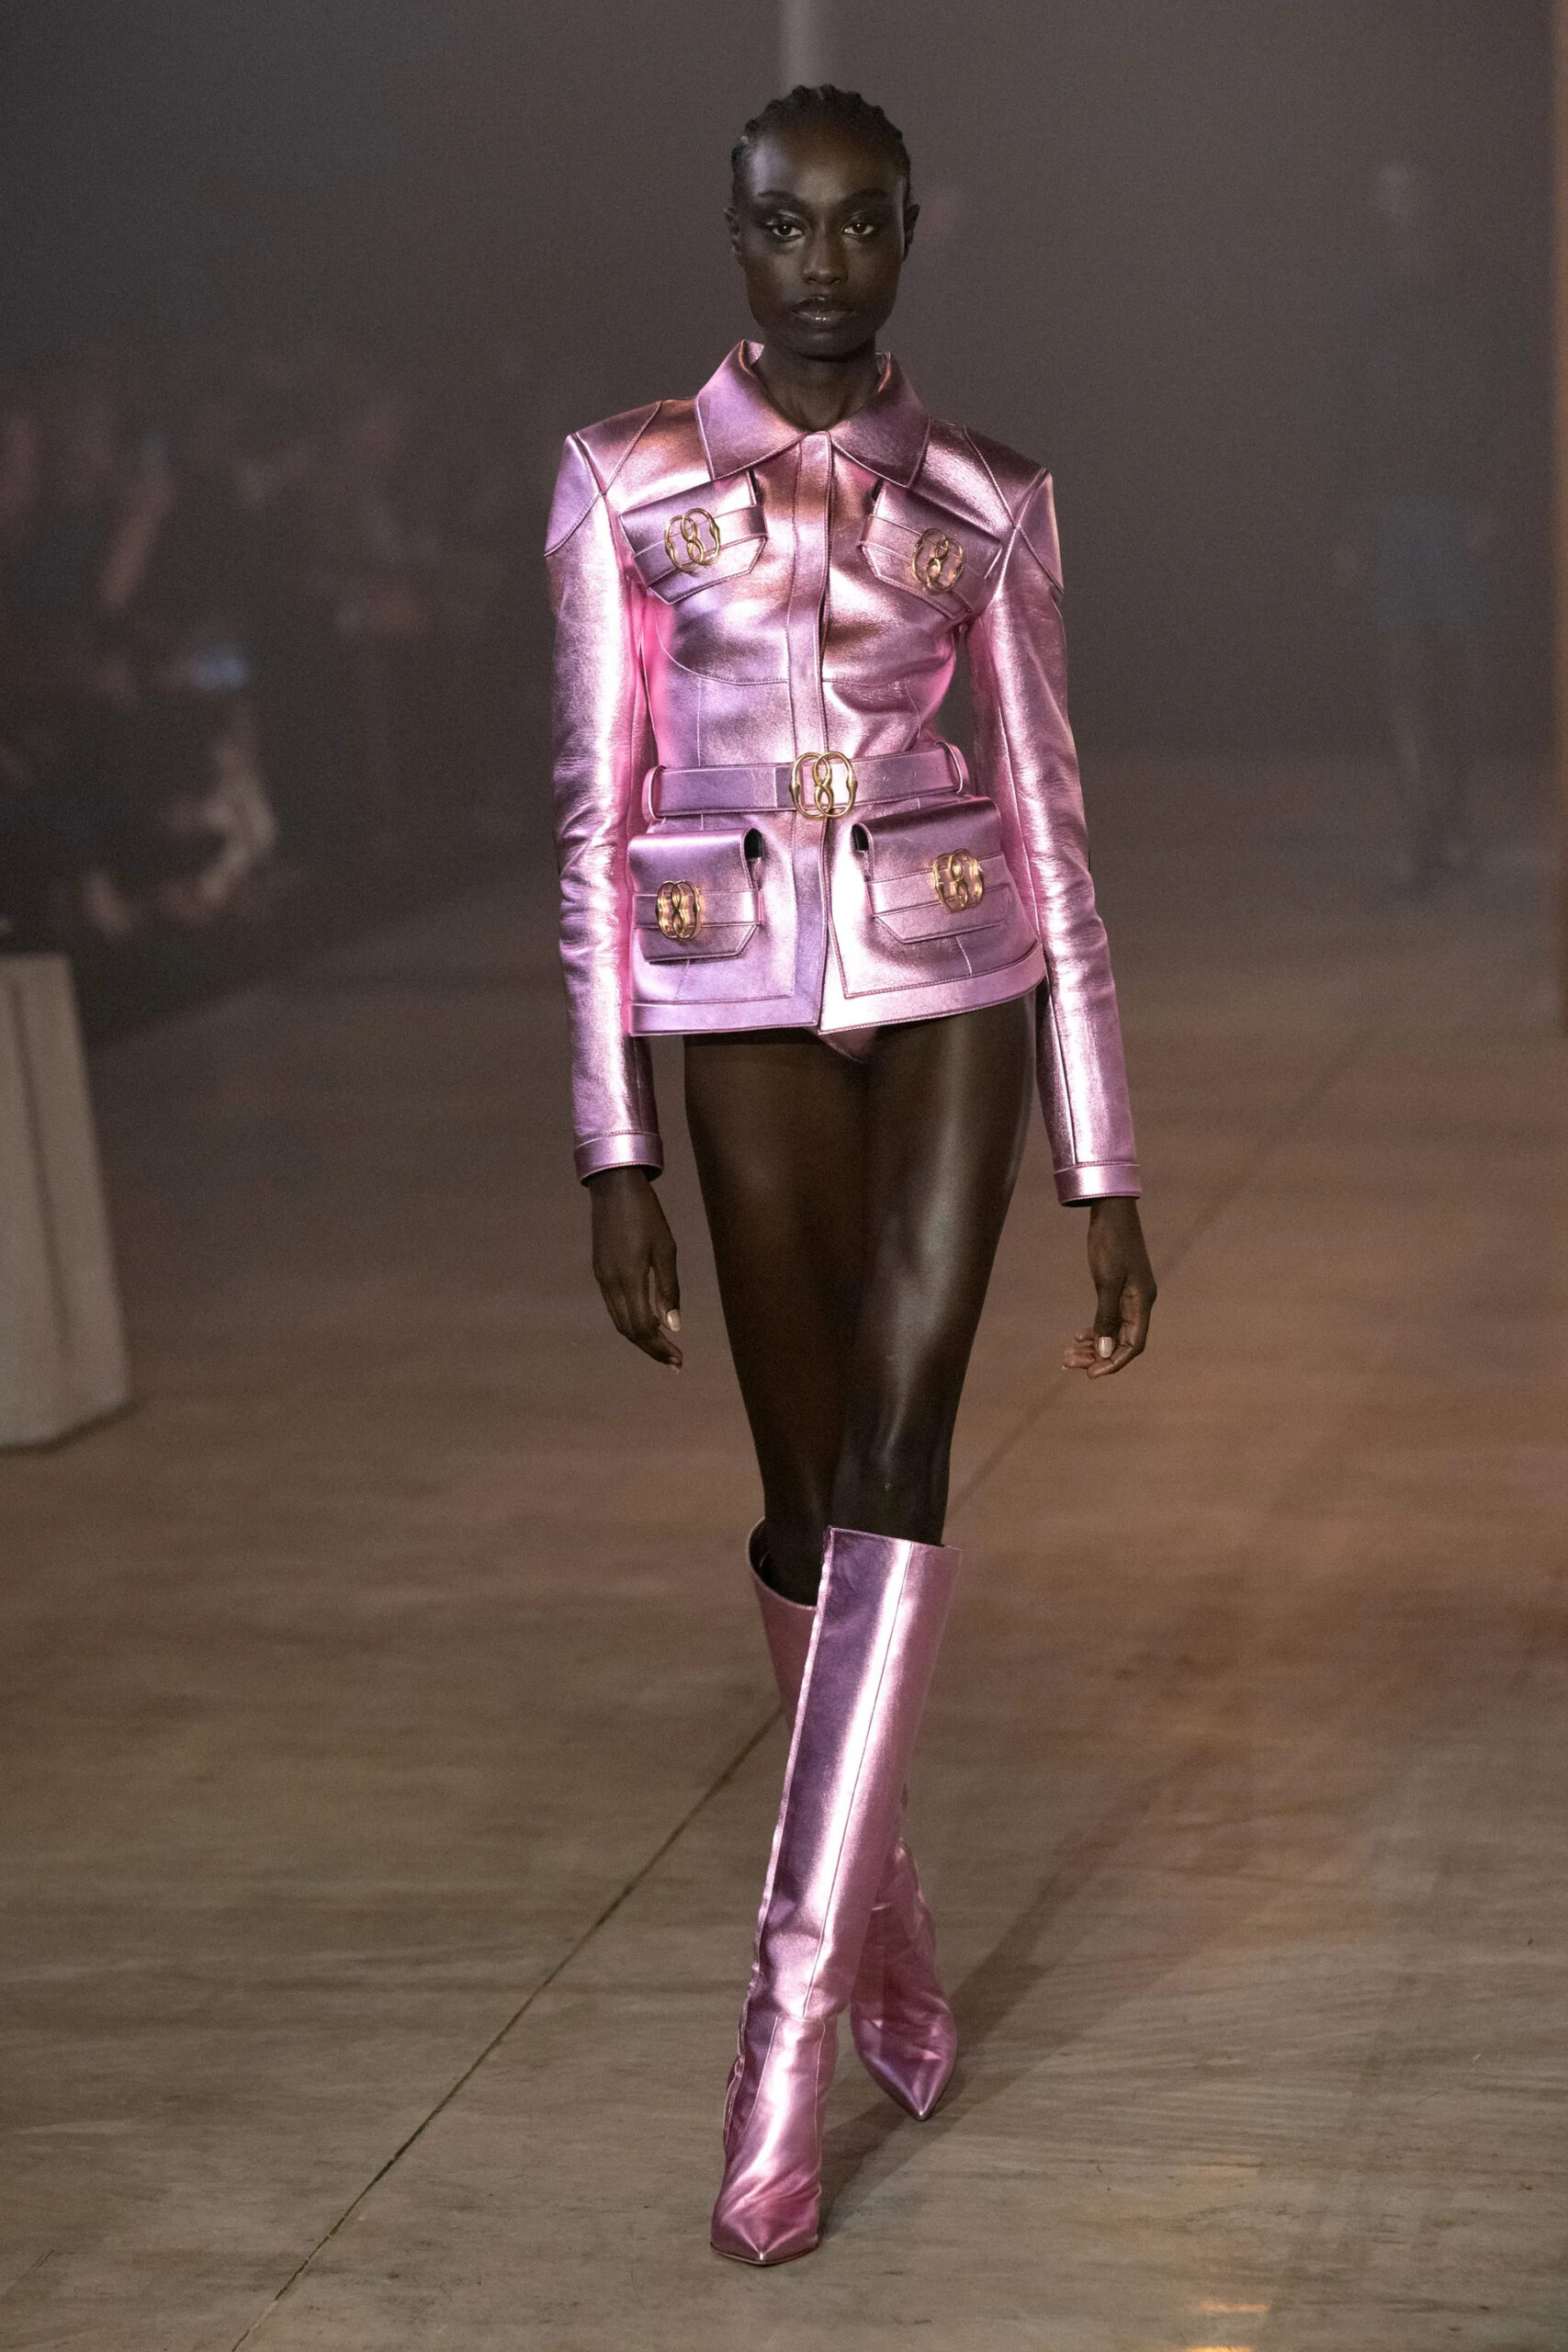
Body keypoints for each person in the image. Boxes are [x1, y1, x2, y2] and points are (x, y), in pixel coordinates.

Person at [545, 85, 1155, 2266]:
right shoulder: (621, 479)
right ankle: (885, 1930)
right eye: (786, 225)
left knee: (899, 1464)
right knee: (802, 1506)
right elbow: (593, 817)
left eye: (860, 223)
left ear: (908, 233)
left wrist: (1101, 1150)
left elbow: (1053, 817)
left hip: (955, 975)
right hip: (729, 1000)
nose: (823, 260)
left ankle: (777, 2048)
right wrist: (611, 1143)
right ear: (734, 235)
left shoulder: (986, 494)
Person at [1330, 159, 1506, 889]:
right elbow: (1345, 409)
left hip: (1457, 505)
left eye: (1409, 190)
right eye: (1387, 193)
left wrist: (1493, 499)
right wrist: (1350, 521)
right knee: (1400, 669)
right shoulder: (1364, 294)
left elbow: (1502, 399)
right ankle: (1420, 828)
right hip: (1387, 508)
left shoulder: (1477, 290)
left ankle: (1452, 821)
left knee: (1461, 671)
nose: (1398, 205)